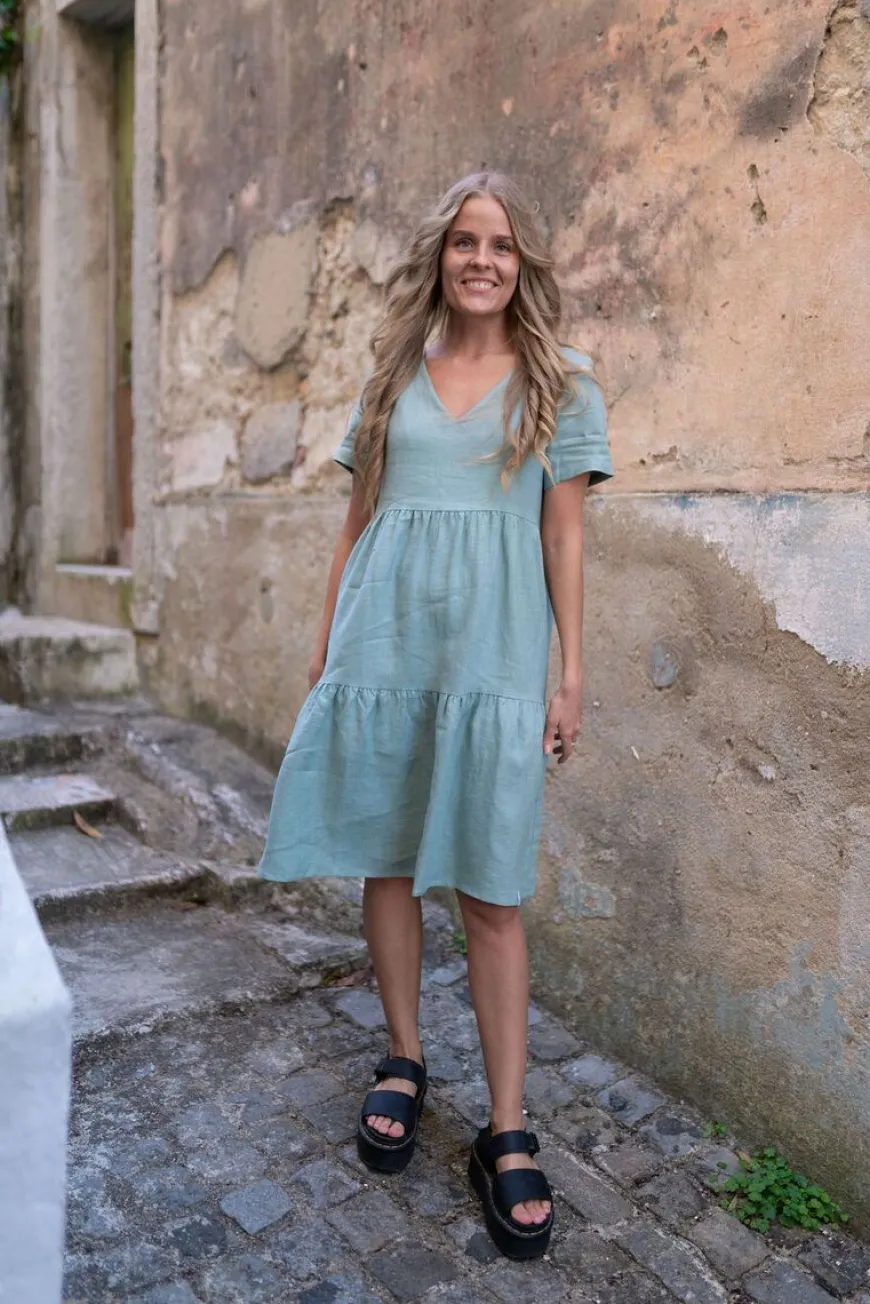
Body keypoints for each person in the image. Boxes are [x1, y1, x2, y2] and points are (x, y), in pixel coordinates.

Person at [259, 171, 613, 1260]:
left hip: (492, 657)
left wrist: (570, 671)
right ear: (441, 257)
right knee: (388, 857)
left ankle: (505, 1124)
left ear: (522, 263)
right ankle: (405, 1056)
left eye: (500, 245)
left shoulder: (562, 381)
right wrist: (327, 645)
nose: (481, 260)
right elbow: (355, 523)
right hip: (386, 645)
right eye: (465, 242)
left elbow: (563, 535)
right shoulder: (390, 379)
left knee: (493, 890)